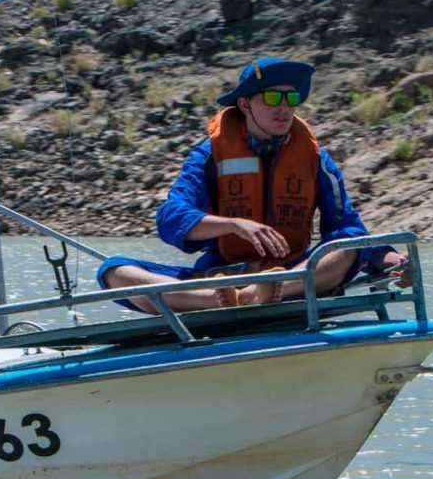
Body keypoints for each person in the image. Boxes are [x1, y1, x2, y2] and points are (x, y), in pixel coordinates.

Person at [96, 56, 411, 312]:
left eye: (291, 98)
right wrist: (233, 225)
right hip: (222, 275)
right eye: (273, 97)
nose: (284, 107)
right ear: (245, 105)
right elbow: (170, 217)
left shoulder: (316, 159)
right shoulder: (209, 155)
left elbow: (349, 228)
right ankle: (216, 301)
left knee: (345, 251)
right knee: (114, 271)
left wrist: (394, 262)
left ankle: (253, 296)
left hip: (293, 272)